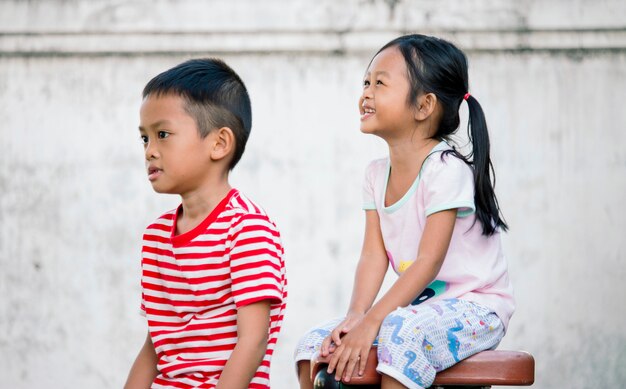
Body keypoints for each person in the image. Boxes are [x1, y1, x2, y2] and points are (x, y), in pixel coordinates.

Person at [294, 34, 515, 389]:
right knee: (315, 344)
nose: (365, 92)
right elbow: (372, 256)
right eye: (366, 82)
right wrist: (356, 316)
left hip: (476, 309)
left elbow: (429, 263)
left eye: (380, 83)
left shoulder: (445, 170)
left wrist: (374, 321)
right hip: (420, 311)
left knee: (400, 334)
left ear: (423, 106)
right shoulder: (375, 174)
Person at [124, 58, 287, 389]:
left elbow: (253, 341)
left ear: (219, 143)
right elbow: (154, 346)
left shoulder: (247, 228)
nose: (149, 151)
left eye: (163, 134)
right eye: (145, 138)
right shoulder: (156, 237)